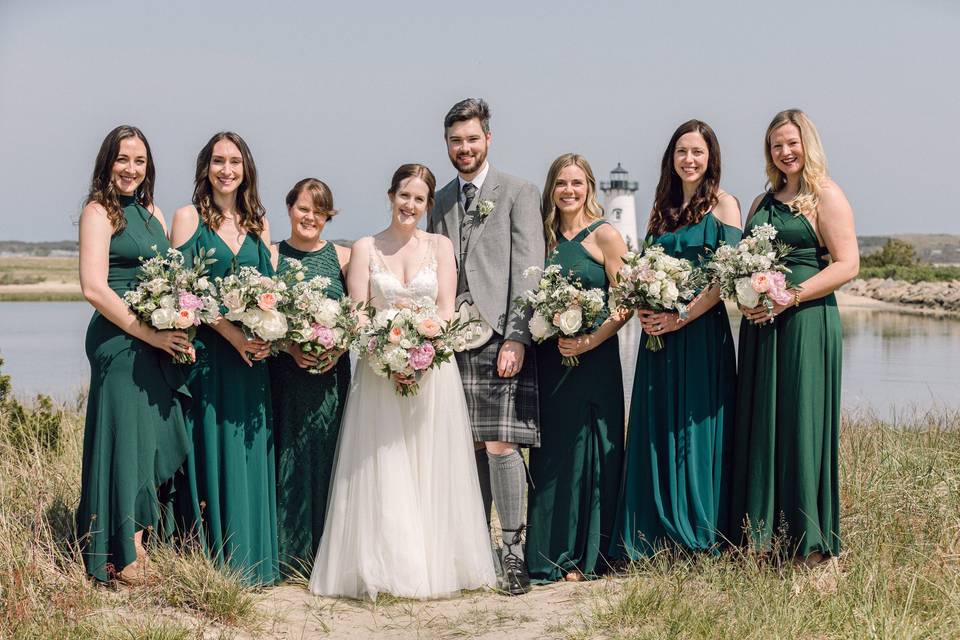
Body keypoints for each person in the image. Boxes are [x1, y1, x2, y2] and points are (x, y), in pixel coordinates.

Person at [309, 164, 496, 600]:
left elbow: (447, 307)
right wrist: (383, 351)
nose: (409, 205)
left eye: (418, 199)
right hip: (379, 372)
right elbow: (358, 312)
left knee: (431, 465)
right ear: (390, 195)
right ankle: (386, 567)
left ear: (428, 205)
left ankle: (438, 565)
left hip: (432, 371)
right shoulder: (365, 247)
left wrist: (424, 345)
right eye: (403, 196)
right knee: (384, 465)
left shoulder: (441, 245)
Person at [728, 109, 858, 564]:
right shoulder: (763, 201)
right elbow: (744, 262)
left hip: (806, 321)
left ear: (808, 143)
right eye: (776, 145)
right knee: (763, 421)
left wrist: (792, 297)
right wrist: (744, 297)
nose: (785, 152)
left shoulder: (826, 194)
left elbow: (847, 264)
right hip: (762, 326)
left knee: (802, 422)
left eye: (792, 142)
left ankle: (810, 544)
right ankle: (761, 538)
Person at [427, 98, 545, 595]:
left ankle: (513, 552)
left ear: (488, 139)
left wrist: (517, 336)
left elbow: (529, 269)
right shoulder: (437, 201)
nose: (464, 148)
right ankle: (472, 551)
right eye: (456, 141)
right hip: (450, 342)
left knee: (502, 444)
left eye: (472, 139)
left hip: (500, 337)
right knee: (462, 446)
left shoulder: (519, 192)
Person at [611, 120, 742, 559]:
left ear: (711, 159)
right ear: (671, 157)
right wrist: (648, 307)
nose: (689, 159)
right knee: (656, 425)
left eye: (698, 152)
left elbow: (726, 279)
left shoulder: (725, 206)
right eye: (682, 151)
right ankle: (652, 536)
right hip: (658, 341)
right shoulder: (660, 210)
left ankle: (699, 529)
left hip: (701, 335)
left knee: (696, 428)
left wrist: (681, 315)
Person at [76, 125, 193, 584]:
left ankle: (140, 542)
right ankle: (124, 557)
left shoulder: (152, 212)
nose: (131, 169)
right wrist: (148, 333)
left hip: (155, 337)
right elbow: (93, 288)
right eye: (122, 159)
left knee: (149, 441)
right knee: (126, 440)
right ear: (108, 163)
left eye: (139, 161)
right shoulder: (98, 212)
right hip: (119, 339)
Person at [170, 131, 279, 586]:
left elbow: (273, 291)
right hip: (207, 357)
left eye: (235, 161)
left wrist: (271, 333)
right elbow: (182, 291)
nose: (227, 169)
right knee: (209, 446)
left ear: (246, 168)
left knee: (249, 447)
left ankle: (255, 558)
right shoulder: (186, 217)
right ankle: (211, 558)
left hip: (252, 358)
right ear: (205, 168)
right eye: (218, 161)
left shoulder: (259, 221)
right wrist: (233, 335)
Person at [525, 154, 628, 582]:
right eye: (561, 183)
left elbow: (625, 304)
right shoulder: (541, 239)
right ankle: (550, 553)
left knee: (594, 451)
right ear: (551, 189)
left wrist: (590, 339)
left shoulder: (605, 235)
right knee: (552, 453)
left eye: (577, 182)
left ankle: (592, 554)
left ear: (590, 187)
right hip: (551, 361)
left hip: (595, 359)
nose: (569, 190)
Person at [269, 178, 351, 577]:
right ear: (289, 208)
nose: (310, 217)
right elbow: (259, 321)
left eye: (319, 211)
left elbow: (358, 316)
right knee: (287, 457)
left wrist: (338, 347)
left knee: (329, 456)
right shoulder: (271, 256)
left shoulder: (343, 257)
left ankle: (327, 555)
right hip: (284, 375)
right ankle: (288, 555)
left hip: (332, 379)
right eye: (304, 208)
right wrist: (290, 347)